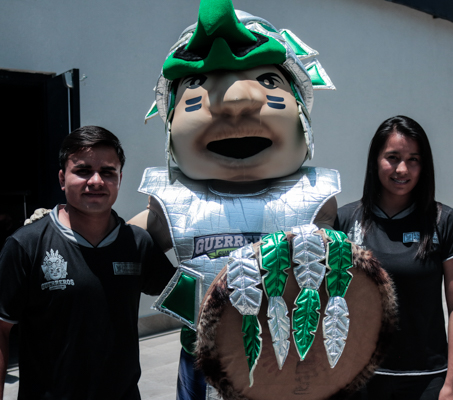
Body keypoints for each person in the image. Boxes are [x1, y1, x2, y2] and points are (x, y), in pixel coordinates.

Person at [128, 1, 341, 398]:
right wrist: (61, 227)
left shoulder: (316, 199)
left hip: (284, 355)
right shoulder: (172, 201)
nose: (234, 100)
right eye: (196, 88)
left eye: (267, 79)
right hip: (200, 356)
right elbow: (113, 244)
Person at [0, 126, 175, 400]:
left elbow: (191, 301)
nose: (96, 181)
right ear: (62, 178)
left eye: (107, 172)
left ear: (119, 178)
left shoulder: (138, 243)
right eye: (82, 171)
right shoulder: (27, 245)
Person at [335, 116, 453, 400]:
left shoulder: (443, 221)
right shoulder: (346, 221)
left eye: (413, 159)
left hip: (425, 378)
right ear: (375, 160)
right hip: (358, 378)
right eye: (393, 157)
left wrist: (452, 383)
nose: (402, 169)